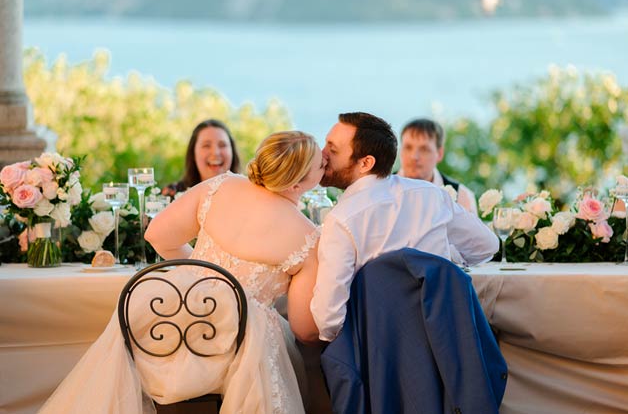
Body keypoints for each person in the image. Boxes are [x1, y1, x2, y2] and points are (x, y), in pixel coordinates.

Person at [39, 131, 324, 414]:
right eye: (320, 164)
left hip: (163, 337)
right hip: (233, 356)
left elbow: (157, 235)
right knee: (300, 362)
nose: (325, 163)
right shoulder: (308, 236)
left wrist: (201, 270)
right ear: (298, 183)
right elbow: (305, 329)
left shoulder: (221, 184)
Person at [309, 112, 499, 342]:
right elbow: (487, 246)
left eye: (333, 149)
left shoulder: (341, 220)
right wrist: (443, 258)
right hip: (446, 345)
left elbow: (328, 321)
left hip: (380, 356)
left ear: (366, 163)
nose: (322, 155)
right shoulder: (431, 195)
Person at [398, 118, 478, 214]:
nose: (414, 156)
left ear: (439, 154)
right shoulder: (382, 188)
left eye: (424, 149)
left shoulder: (462, 196)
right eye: (408, 147)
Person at [161, 119, 241, 198]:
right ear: (193, 152)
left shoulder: (249, 192)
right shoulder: (172, 195)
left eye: (222, 145)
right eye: (206, 145)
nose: (215, 153)